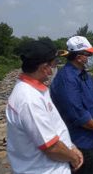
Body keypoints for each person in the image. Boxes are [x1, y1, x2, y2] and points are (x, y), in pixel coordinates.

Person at [6, 40, 83, 174]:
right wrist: (73, 157)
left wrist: (71, 146)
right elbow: (51, 147)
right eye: (55, 64)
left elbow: (53, 127)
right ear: (44, 67)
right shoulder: (29, 99)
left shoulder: (36, 91)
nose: (55, 68)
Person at [50, 36, 93, 174]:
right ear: (78, 57)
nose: (91, 57)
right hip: (81, 142)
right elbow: (76, 112)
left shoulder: (85, 75)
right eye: (89, 54)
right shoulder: (67, 79)